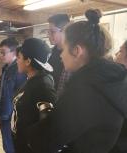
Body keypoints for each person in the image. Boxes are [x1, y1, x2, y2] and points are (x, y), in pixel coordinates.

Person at [27, 9, 127, 153]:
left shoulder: (85, 86)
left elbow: (44, 140)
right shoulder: (115, 78)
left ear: (77, 51)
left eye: (64, 49)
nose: (60, 55)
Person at [12, 38, 56, 153]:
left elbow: (47, 126)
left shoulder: (43, 86)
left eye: (19, 57)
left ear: (28, 61)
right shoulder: (32, 80)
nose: (17, 61)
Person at [0, 38, 27, 153]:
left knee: (10, 147)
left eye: (3, 52)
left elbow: (18, 97)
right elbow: (2, 93)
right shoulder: (5, 68)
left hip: (11, 117)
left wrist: (8, 117)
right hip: (4, 115)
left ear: (14, 52)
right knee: (6, 145)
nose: (1, 55)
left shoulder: (18, 70)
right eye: (0, 52)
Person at [48, 14, 71, 96]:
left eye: (52, 32)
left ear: (64, 30)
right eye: (48, 32)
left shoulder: (71, 56)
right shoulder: (50, 53)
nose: (48, 35)